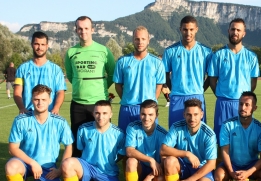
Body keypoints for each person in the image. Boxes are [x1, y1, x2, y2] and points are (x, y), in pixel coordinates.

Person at [5, 84, 73, 181]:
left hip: (47, 167)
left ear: (50, 100)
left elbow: (69, 146)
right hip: (25, 163)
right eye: (36, 99)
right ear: (32, 100)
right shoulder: (21, 120)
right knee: (11, 166)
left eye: (43, 99)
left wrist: (59, 170)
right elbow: (12, 148)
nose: (40, 103)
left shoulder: (60, 122)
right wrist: (32, 163)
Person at [61, 100, 126, 181]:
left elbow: (122, 152)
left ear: (111, 114)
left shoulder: (119, 133)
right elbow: (80, 149)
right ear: (93, 113)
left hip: (107, 172)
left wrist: (112, 161)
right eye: (97, 113)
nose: (101, 117)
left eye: (105, 113)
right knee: (67, 163)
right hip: (87, 167)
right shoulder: (83, 129)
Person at [65, 16, 116, 157]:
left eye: (86, 28)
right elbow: (70, 75)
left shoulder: (104, 50)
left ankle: (103, 172)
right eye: (80, 29)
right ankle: (79, 174)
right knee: (78, 141)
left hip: (99, 103)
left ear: (92, 29)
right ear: (76, 31)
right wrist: (81, 85)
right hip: (78, 104)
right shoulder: (71, 52)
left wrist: (101, 87)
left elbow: (112, 74)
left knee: (101, 139)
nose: (83, 31)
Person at [214, 91, 261, 181]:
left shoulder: (260, 129)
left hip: (251, 164)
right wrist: (232, 172)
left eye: (247, 105)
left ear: (254, 108)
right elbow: (225, 152)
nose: (243, 107)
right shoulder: (227, 125)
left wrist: (248, 172)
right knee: (218, 178)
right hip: (232, 164)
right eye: (241, 104)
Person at [161, 98, 217, 181]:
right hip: (183, 166)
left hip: (201, 167)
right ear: (184, 114)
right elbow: (163, 149)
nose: (192, 118)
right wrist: (186, 154)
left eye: (196, 114)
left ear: (202, 114)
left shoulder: (209, 134)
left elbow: (212, 164)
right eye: (189, 114)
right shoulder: (177, 127)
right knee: (169, 161)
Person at [208, 18, 259, 142]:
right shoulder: (218, 55)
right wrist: (221, 95)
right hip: (223, 103)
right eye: (233, 29)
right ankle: (221, 162)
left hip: (242, 104)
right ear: (228, 31)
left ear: (243, 33)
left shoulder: (251, 56)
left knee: (241, 139)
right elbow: (212, 80)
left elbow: (253, 82)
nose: (235, 32)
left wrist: (245, 99)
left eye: (238, 30)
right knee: (221, 139)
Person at [162, 15, 212, 127]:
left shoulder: (206, 51)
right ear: (180, 29)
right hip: (177, 97)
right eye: (185, 29)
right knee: (176, 133)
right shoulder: (170, 51)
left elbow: (211, 76)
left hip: (197, 96)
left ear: (196, 29)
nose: (188, 33)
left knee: (198, 134)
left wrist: (200, 89)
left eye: (191, 29)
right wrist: (174, 89)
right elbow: (165, 75)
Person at [114, 26, 165, 131]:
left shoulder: (157, 63)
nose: (140, 42)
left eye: (143, 39)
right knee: (125, 142)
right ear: (133, 40)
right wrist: (127, 99)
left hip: (148, 110)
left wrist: (151, 104)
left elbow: (159, 85)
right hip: (127, 108)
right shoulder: (122, 62)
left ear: (148, 41)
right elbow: (118, 85)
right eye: (137, 39)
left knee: (149, 143)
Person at [124, 100, 168, 181]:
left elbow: (164, 163)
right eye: (143, 114)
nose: (146, 118)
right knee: (130, 161)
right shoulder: (133, 127)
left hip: (156, 170)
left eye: (150, 115)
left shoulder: (163, 134)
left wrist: (149, 177)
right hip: (140, 167)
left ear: (156, 115)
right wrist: (150, 159)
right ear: (140, 114)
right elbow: (129, 151)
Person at [14, 32, 66, 114]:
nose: (40, 47)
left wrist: (56, 108)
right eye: (37, 44)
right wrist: (22, 108)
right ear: (32, 45)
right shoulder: (22, 69)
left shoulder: (56, 70)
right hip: (28, 114)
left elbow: (60, 92)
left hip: (49, 114)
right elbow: (17, 92)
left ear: (47, 46)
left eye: (42, 44)